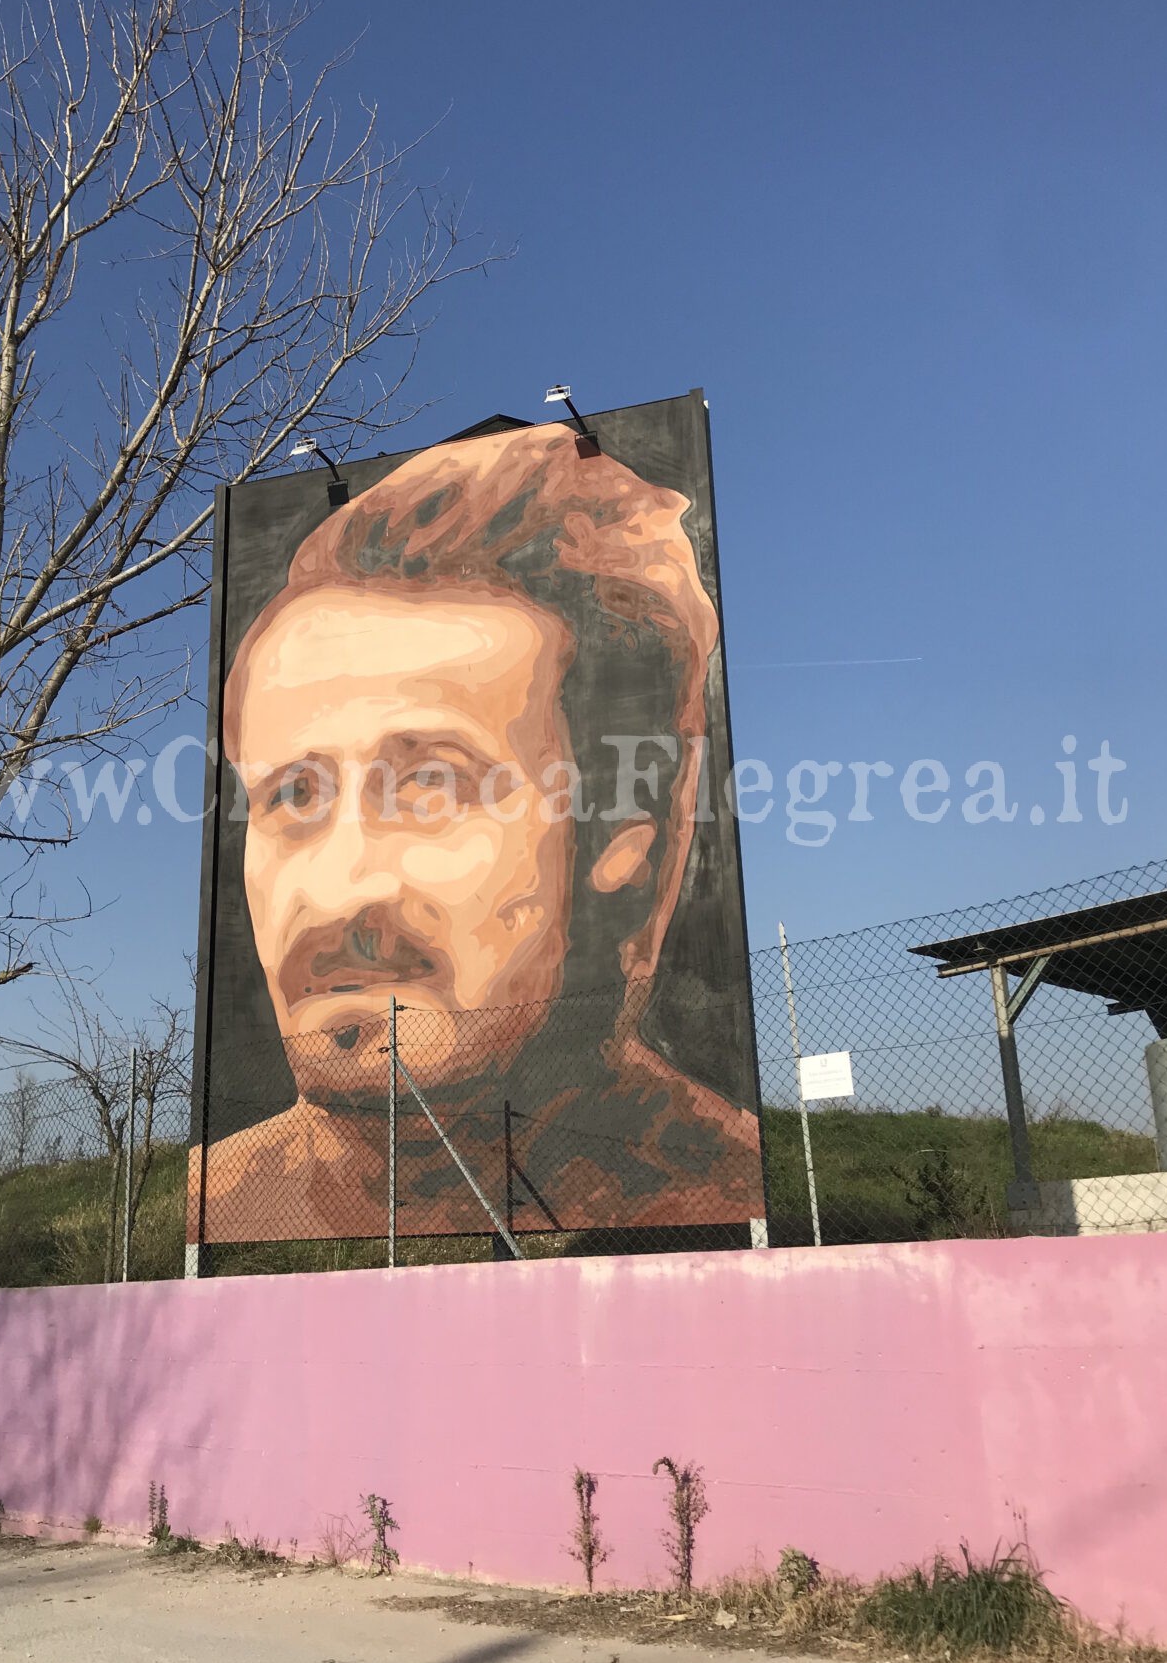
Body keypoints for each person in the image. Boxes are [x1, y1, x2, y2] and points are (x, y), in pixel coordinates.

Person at [191, 420, 763, 1243]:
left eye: (429, 787)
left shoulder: (719, 1191)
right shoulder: (222, 1202)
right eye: (295, 794)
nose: (340, 886)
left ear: (623, 837)